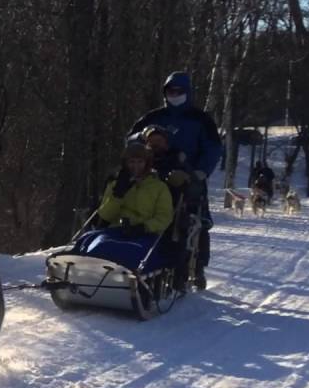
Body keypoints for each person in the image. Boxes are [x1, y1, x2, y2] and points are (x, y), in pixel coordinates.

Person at [128, 71, 222, 289]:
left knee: (193, 219)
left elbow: (214, 148)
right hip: (151, 172)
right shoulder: (153, 117)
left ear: (187, 93)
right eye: (171, 91)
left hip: (187, 174)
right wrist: (144, 136)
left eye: (179, 91)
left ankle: (196, 266)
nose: (174, 94)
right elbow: (131, 137)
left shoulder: (200, 119)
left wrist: (199, 172)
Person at [72, 143, 174, 271]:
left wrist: (144, 227)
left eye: (140, 162)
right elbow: (105, 215)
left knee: (122, 250)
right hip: (117, 230)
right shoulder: (116, 184)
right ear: (125, 163)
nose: (135, 166)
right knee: (91, 241)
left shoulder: (159, 187)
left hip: (145, 234)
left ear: (147, 163)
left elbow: (164, 217)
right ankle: (77, 266)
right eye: (131, 162)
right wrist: (117, 195)